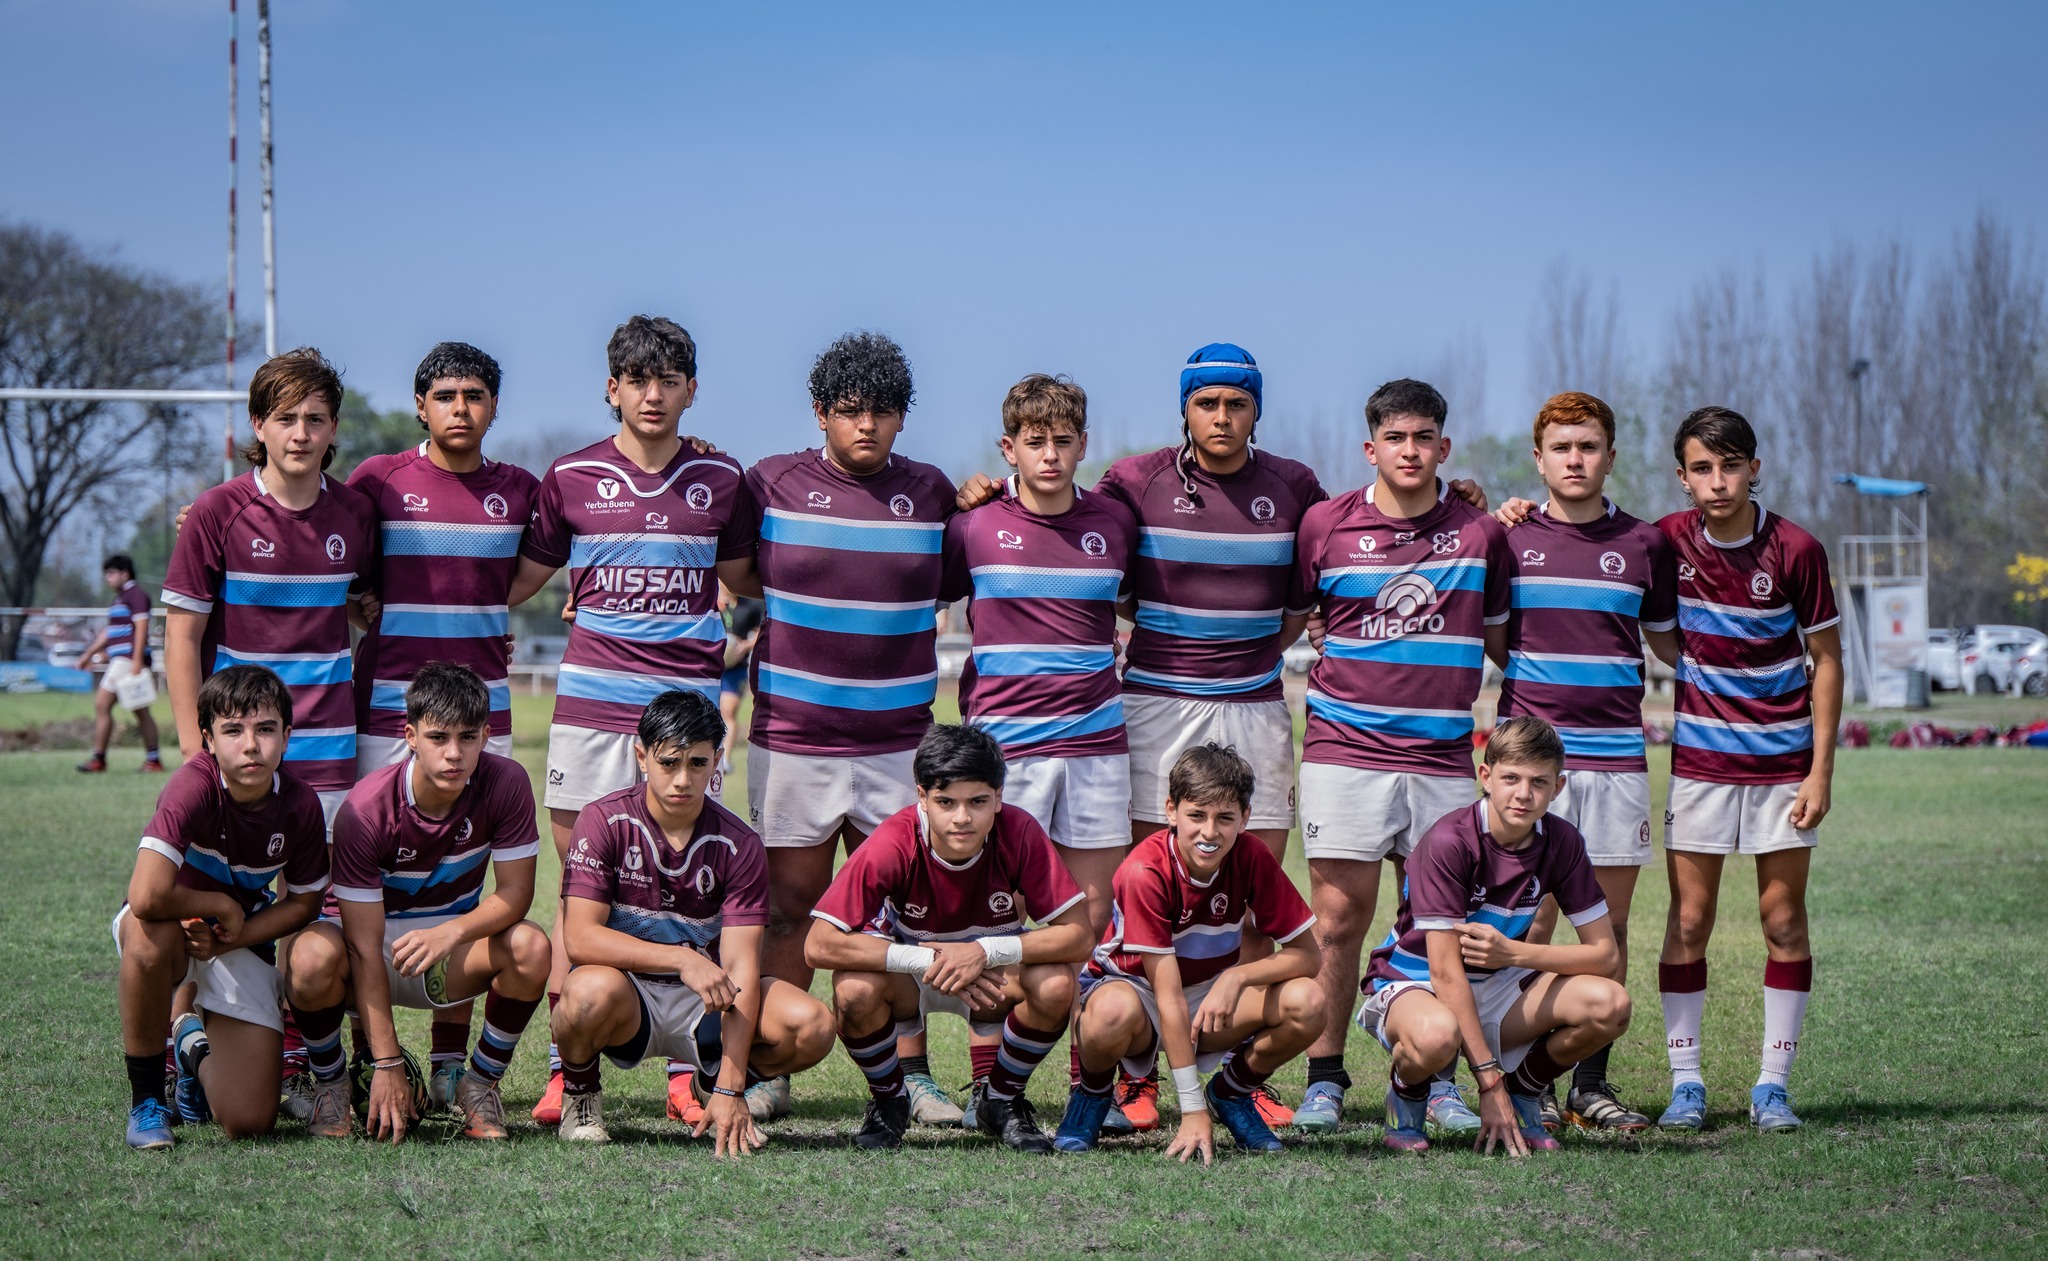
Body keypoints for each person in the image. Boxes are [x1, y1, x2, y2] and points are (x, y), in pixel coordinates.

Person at [508, 315, 756, 1125]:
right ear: (611, 388)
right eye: (637, 379)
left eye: (669, 379)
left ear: (691, 389)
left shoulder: (721, 480)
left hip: (683, 720)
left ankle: (692, 1064)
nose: (653, 393)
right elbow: (511, 580)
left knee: (694, 886)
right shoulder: (571, 476)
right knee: (581, 887)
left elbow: (764, 569)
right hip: (590, 710)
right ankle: (564, 1066)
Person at [730, 331, 967, 1125]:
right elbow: (735, 570)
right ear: (821, 413)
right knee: (790, 909)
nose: (866, 425)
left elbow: (963, 579)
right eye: (849, 410)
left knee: (900, 914)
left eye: (883, 411)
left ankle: (914, 1076)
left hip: (900, 745)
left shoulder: (934, 494)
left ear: (903, 417)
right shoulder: (768, 484)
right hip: (793, 739)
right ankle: (772, 1066)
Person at [1088, 343, 1325, 1130]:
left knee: (1249, 884)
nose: (1222, 417)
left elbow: (1304, 600)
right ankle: (1133, 1070)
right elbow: (1082, 545)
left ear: (1258, 410)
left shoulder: (1293, 487)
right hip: (1156, 699)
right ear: (1184, 408)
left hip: (1254, 704)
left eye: (1237, 403)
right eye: (1207, 403)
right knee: (1149, 881)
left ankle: (1235, 1073)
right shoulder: (1132, 480)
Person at [1287, 378, 1514, 1134]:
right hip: (1343, 752)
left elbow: (1505, 641)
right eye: (1396, 438)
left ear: (1443, 447)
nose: (1409, 451)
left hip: (1444, 759)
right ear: (1370, 447)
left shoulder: (1480, 534)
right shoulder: (1325, 524)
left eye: (1424, 438)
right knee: (1337, 918)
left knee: (1439, 920)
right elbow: (1295, 617)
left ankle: (1432, 1075)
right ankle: (1324, 1079)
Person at [346, 341, 540, 1090]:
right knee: (372, 878)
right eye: (447, 395)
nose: (462, 408)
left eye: (476, 395)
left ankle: (453, 1064)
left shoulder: (520, 489)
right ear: (421, 404)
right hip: (388, 711)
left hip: (481, 708)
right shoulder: (378, 479)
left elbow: (525, 575)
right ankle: (372, 1056)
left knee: (465, 873)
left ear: (494, 405)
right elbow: (320, 538)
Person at [1488, 391, 1679, 1132]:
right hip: (1534, 764)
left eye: (1589, 446)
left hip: (1617, 761)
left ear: (1610, 455)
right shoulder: (1507, 539)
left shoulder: (1643, 544)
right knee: (1531, 922)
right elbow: (1501, 645)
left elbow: (1668, 643)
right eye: (1562, 448)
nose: (1576, 459)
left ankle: (1588, 1085)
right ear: (1539, 458)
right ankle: (1521, 1080)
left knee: (1611, 924)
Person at [1654, 406, 1841, 1133]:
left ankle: (1772, 1084)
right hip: (1700, 766)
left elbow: (1828, 662)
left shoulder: (1796, 548)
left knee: (1783, 919)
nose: (1718, 479)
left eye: (1731, 465)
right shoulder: (1666, 541)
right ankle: (1686, 1082)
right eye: (1702, 467)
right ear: (1683, 476)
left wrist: (1820, 772)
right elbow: (1588, 533)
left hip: (1782, 768)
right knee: (1690, 919)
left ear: (1754, 467)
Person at [551, 689, 835, 1150]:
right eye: (669, 762)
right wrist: (682, 960)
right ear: (641, 756)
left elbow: (742, 967)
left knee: (813, 1024)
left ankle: (710, 1084)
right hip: (628, 994)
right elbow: (580, 938)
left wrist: (731, 1085)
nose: (682, 779)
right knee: (584, 993)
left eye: (698, 764)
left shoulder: (739, 843)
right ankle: (581, 1095)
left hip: (708, 1005)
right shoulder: (602, 821)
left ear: (717, 761)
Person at [281, 662, 550, 1142]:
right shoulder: (365, 809)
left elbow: (516, 894)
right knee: (308, 956)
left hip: (448, 952)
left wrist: (452, 931)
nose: (454, 754)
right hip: (363, 954)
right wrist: (386, 1063)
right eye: (438, 737)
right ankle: (333, 1083)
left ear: (487, 735)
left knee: (530, 946)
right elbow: (364, 947)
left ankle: (479, 1084)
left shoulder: (506, 783)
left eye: (468, 737)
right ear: (410, 735)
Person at [804, 723, 1092, 1152]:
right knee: (853, 989)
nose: (962, 817)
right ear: (922, 797)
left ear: (998, 797)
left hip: (990, 976)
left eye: (978, 801)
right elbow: (819, 944)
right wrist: (927, 959)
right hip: (912, 976)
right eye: (945, 802)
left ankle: (1001, 1098)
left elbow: (1079, 936)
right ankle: (890, 1101)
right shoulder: (895, 839)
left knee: (1055, 983)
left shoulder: (1019, 831)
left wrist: (983, 951)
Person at [1358, 716, 1632, 1155]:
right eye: (1511, 778)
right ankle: (1406, 1096)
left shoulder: (1563, 841)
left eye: (1539, 782)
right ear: (1485, 776)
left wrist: (1513, 952)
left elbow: (1604, 956)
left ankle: (1524, 1092)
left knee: (1610, 1004)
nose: (1524, 794)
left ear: (1558, 787)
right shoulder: (1451, 840)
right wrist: (1488, 1084)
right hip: (1417, 982)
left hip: (1500, 982)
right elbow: (1446, 974)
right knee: (1435, 1037)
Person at [1053, 743, 1323, 1159]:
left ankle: (1232, 1093)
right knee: (1109, 1014)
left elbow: (1308, 955)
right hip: (1135, 992)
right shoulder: (1145, 870)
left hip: (1208, 992)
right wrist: (1190, 1110)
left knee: (1308, 1001)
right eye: (1196, 815)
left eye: (1225, 818)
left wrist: (1238, 976)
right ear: (1171, 811)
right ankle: (1091, 1094)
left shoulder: (1253, 856)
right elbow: (1167, 994)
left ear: (1245, 818)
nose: (1210, 832)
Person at [161, 348, 379, 828]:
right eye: (286, 418)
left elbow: (359, 607)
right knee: (220, 883)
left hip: (327, 734)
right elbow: (181, 636)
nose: (301, 434)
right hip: (238, 732)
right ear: (259, 424)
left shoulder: (356, 514)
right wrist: (192, 744)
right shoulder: (215, 511)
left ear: (334, 427)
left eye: (315, 419)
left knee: (314, 895)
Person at [113, 665, 328, 1149]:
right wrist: (219, 905)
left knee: (250, 1121)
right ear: (208, 739)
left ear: (287, 737)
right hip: (170, 929)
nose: (250, 745)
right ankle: (147, 1100)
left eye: (265, 729)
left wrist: (236, 933)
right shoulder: (193, 785)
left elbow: (307, 900)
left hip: (235, 941)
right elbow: (146, 895)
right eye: (233, 730)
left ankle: (191, 1046)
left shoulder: (300, 804)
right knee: (151, 936)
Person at [75, 553, 165, 774]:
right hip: (121, 660)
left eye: (112, 573)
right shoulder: (120, 598)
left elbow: (142, 627)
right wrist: (89, 654)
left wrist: (136, 662)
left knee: (102, 704)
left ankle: (99, 759)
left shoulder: (136, 595)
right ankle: (152, 760)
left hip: (127, 662)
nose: (108, 578)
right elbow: (110, 632)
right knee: (140, 711)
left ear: (125, 574)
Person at [717, 591, 764, 774]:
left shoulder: (749, 604)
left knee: (728, 711)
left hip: (735, 668)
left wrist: (745, 645)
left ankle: (726, 760)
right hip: (711, 666)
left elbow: (761, 629)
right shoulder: (712, 601)